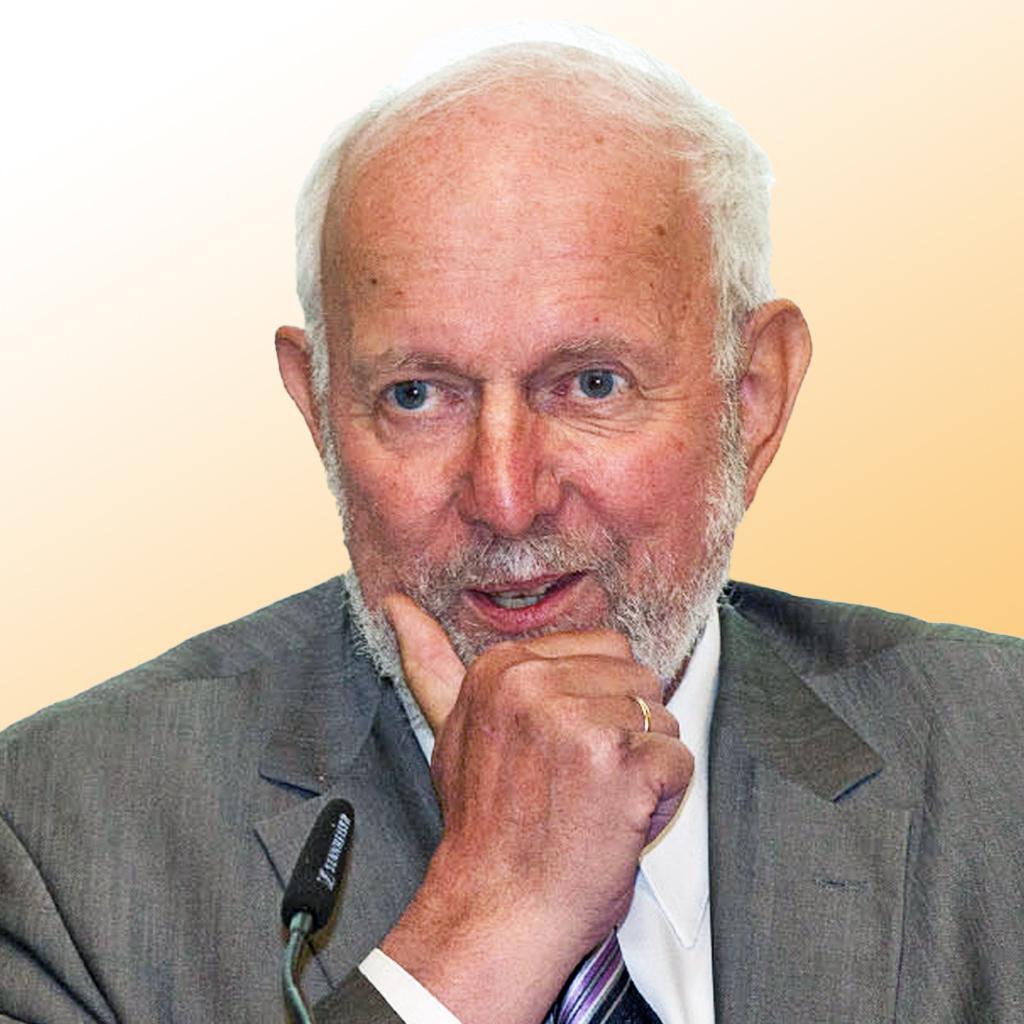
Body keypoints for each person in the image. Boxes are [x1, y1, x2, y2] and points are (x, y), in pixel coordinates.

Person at [2, 24, 1022, 1024]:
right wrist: (490, 928)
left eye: (591, 383)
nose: (505, 496)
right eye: (416, 394)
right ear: (318, 411)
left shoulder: (998, 757)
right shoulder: (62, 843)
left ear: (751, 398)